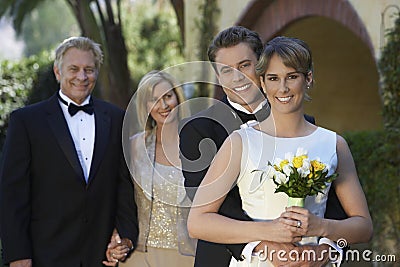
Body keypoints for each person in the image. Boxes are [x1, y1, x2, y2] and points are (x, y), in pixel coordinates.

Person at [187, 36, 373, 266]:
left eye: (292, 77)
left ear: (308, 79)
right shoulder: (240, 142)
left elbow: (364, 226)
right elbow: (197, 222)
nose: (283, 88)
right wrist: (268, 233)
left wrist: (324, 237)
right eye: (273, 78)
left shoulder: (333, 144)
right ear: (263, 83)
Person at [0, 36, 138, 267]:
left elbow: (123, 186)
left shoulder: (116, 119)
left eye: (89, 69)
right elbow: (12, 194)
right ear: (57, 72)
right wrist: (18, 255)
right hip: (45, 256)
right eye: (73, 69)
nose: (82, 77)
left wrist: (124, 236)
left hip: (101, 257)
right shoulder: (26, 121)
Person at [110, 70, 196, 267]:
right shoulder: (133, 146)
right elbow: (117, 196)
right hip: (141, 255)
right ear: (145, 105)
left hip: (188, 254)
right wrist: (116, 235)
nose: (164, 106)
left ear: (178, 97)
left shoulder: (197, 142)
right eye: (154, 99)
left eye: (168, 96)